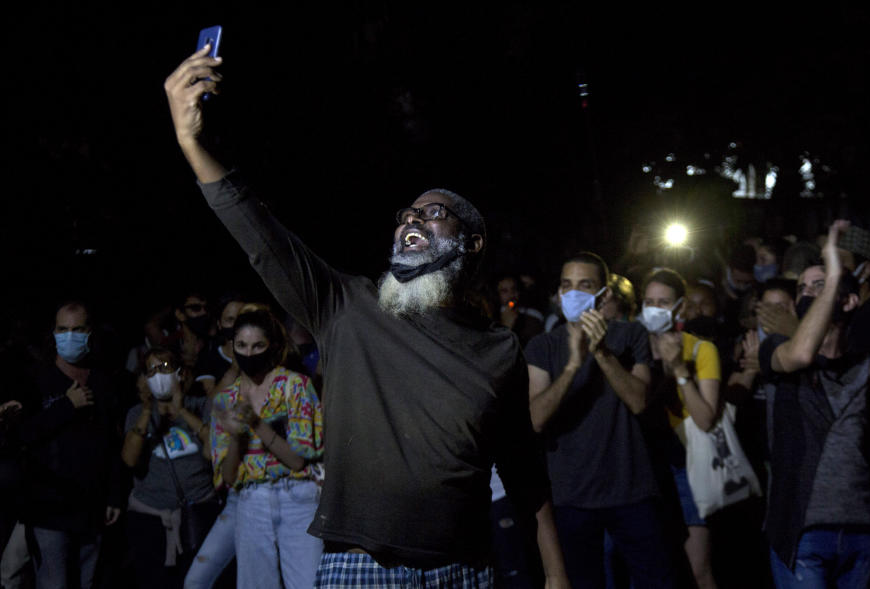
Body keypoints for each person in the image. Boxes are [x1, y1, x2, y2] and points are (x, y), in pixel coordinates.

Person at [164, 45, 570, 588]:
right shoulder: (348, 307)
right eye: (407, 213)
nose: (413, 218)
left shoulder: (497, 349)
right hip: (361, 566)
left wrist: (557, 575)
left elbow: (523, 471)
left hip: (467, 568)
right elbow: (262, 238)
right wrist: (191, 141)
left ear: (472, 243)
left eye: (434, 213)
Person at [760, 219, 870, 589]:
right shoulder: (777, 350)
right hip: (801, 528)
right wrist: (831, 274)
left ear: (849, 299)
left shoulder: (861, 367)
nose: (808, 294)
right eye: (802, 288)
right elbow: (803, 351)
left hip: (859, 529)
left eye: (820, 286)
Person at [526, 252, 679, 589]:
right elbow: (535, 419)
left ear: (603, 294)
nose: (573, 293)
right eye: (567, 285)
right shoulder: (542, 346)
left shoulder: (630, 335)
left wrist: (601, 353)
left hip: (632, 491)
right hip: (571, 496)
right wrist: (571, 366)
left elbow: (639, 401)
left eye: (585, 285)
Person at [209, 305, 324, 589]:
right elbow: (229, 477)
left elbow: (298, 460)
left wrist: (256, 424)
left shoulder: (294, 386)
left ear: (271, 346)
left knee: (307, 583)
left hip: (297, 497)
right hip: (251, 502)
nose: (249, 353)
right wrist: (236, 436)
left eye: (257, 345)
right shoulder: (226, 399)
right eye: (242, 346)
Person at [18, 301, 128, 589]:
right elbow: (23, 434)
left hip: (91, 506)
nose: (70, 336)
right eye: (63, 329)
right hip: (48, 506)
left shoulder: (103, 381)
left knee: (87, 581)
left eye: (77, 329)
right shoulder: (35, 380)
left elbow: (114, 442)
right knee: (54, 583)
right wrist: (67, 406)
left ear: (89, 333)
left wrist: (114, 495)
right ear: (53, 333)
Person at [637, 268, 721, 589]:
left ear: (680, 307)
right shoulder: (634, 348)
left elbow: (705, 419)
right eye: (649, 301)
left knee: (697, 569)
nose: (654, 308)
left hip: (687, 467)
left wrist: (678, 370)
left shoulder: (701, 350)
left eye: (663, 302)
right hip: (644, 466)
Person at [121, 348, 217, 589]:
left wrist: (181, 410)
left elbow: (216, 446)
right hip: (151, 517)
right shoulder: (136, 414)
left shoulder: (201, 405)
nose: (157, 375)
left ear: (181, 373)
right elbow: (129, 459)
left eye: (163, 367)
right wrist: (146, 410)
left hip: (198, 513)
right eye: (150, 370)